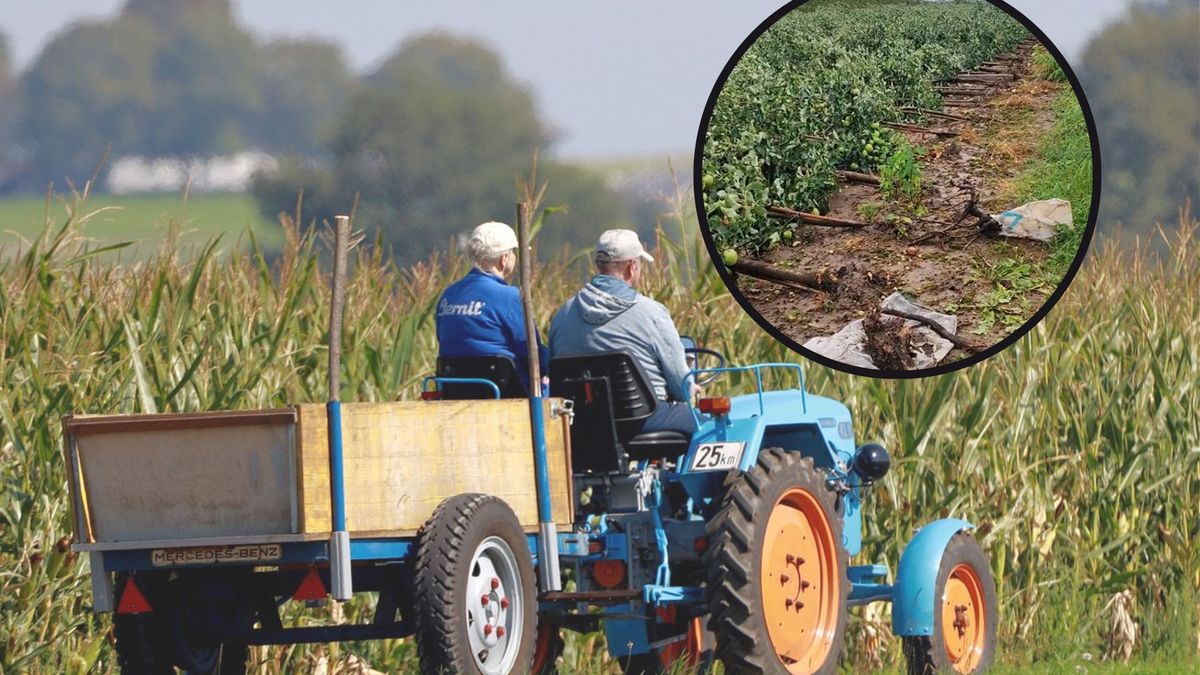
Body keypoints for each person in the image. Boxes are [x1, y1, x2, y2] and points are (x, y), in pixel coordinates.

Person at [549, 229, 697, 435]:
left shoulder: (563, 314)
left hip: (583, 424)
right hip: (643, 420)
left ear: (598, 265)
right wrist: (691, 389)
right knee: (710, 427)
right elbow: (682, 388)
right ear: (632, 267)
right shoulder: (652, 313)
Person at [436, 221, 547, 394]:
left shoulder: (448, 295)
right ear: (504, 260)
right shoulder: (510, 297)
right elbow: (533, 354)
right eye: (513, 253)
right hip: (504, 392)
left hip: (455, 390)